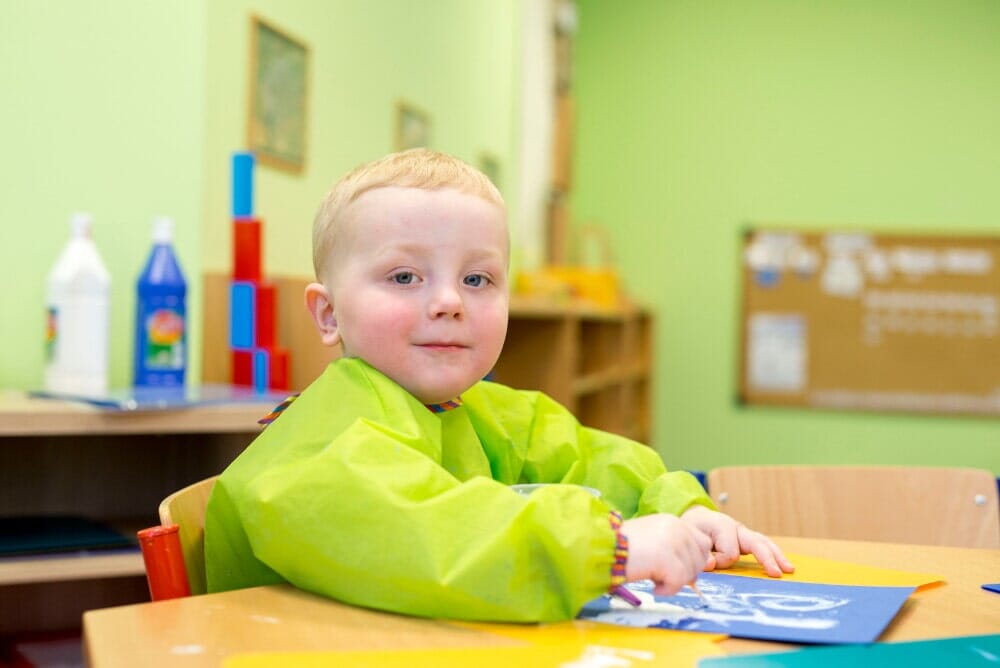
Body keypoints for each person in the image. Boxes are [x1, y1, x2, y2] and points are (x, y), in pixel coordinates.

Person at [204, 148, 793, 622]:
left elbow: (590, 460)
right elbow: (434, 535)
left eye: (478, 279)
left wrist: (680, 509)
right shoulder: (324, 445)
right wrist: (613, 549)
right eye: (404, 276)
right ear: (329, 314)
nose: (449, 301)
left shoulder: (474, 410)